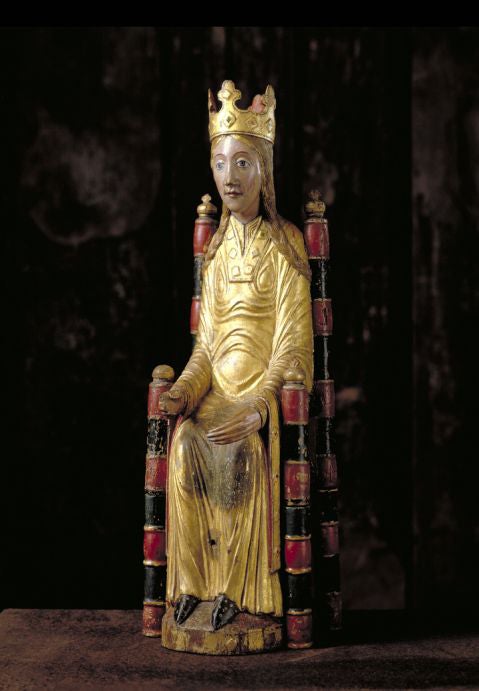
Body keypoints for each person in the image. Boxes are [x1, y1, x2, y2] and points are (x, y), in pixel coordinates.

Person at [158, 80, 313, 631]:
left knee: (243, 453)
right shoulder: (218, 253)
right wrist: (183, 392)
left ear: (263, 170)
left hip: (256, 403)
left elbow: (293, 346)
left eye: (243, 163)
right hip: (215, 397)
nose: (230, 177)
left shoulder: (286, 247)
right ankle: (192, 585)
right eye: (221, 163)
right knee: (185, 447)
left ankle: (241, 590)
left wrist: (260, 406)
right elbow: (206, 348)